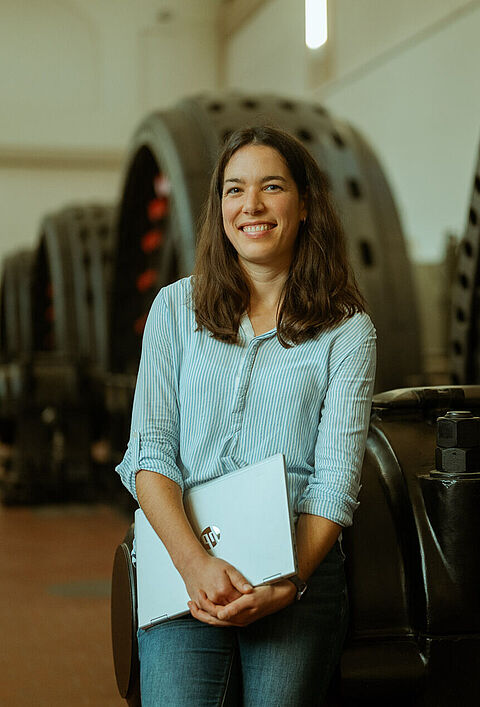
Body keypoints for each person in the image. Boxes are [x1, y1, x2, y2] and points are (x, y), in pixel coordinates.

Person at [116, 125, 376, 706]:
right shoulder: (174, 308)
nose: (251, 206)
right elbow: (150, 453)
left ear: (305, 205)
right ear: (219, 207)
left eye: (272, 187)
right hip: (182, 564)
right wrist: (195, 565)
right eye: (234, 190)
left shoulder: (347, 329)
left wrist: (290, 580)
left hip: (293, 569)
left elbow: (335, 481)